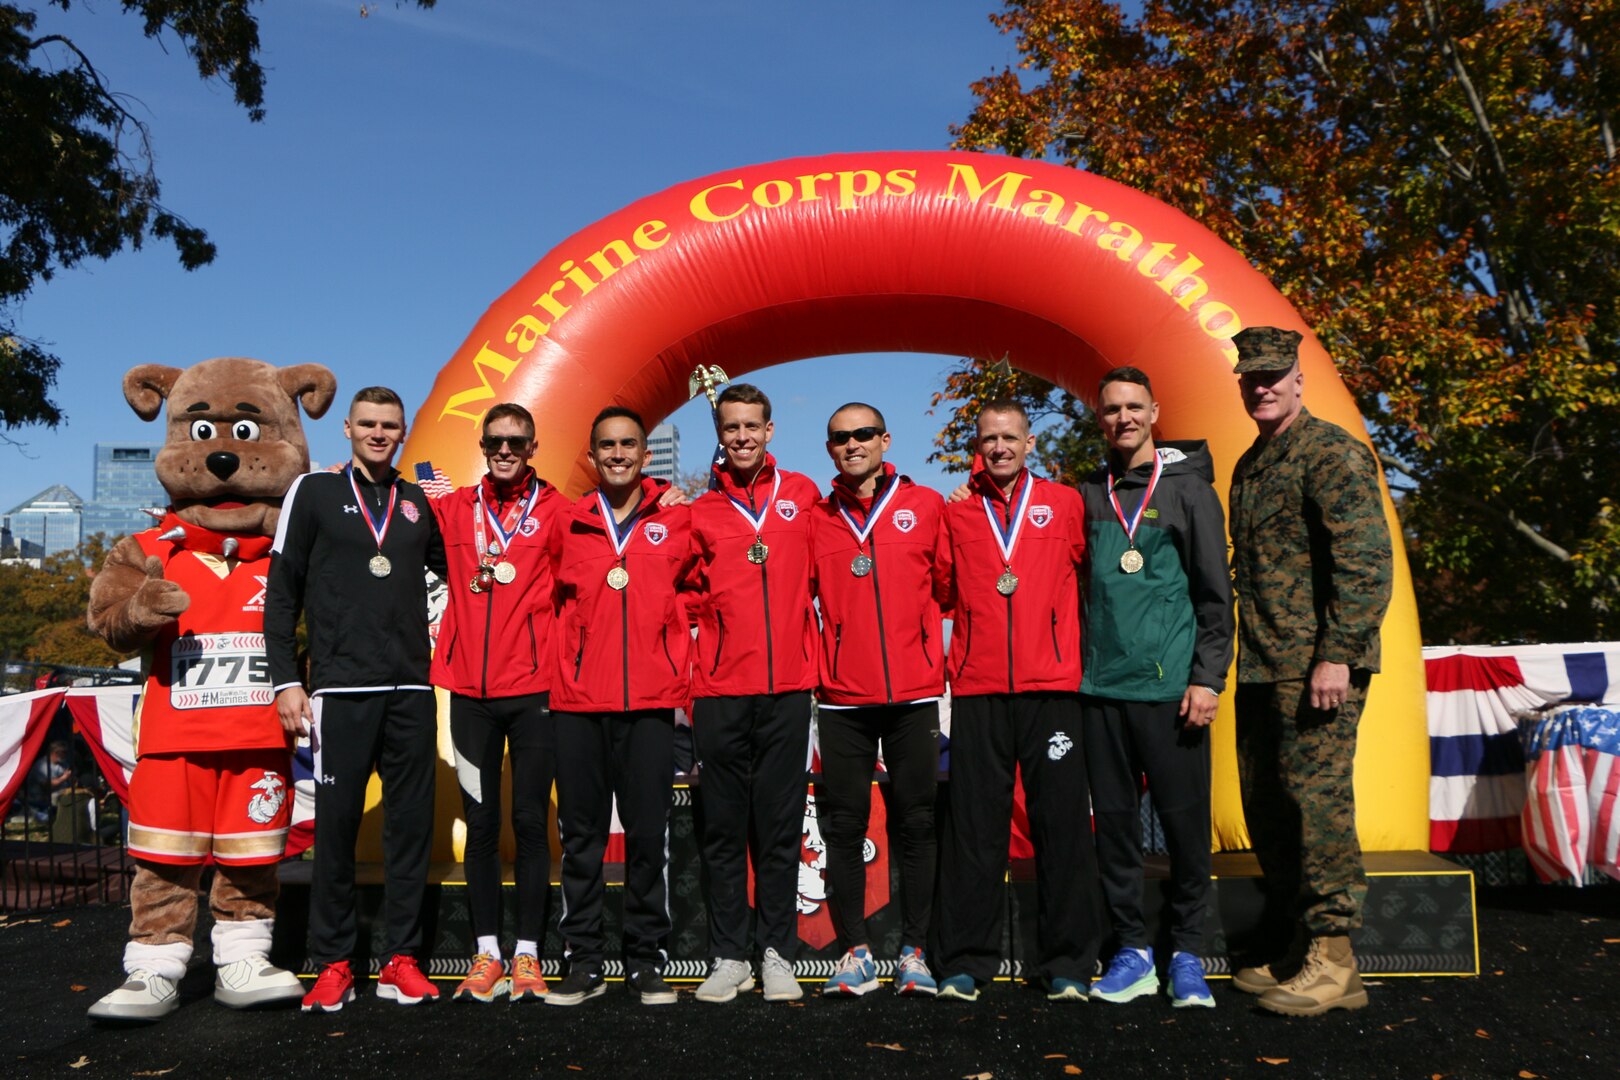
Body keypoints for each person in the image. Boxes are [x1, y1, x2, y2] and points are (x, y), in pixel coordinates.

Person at [1226, 326, 1393, 1017]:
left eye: (1274, 375)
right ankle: (1300, 946)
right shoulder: (1250, 464)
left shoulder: (1331, 453)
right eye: (1251, 377)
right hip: (1265, 664)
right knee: (1270, 807)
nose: (1262, 386)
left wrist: (1337, 653)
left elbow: (1365, 559)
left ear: (1300, 380)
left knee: (1318, 808)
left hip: (1317, 666)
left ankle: (1335, 957)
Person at [266, 386, 449, 1012]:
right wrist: (286, 679)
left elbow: (467, 572)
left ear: (403, 433)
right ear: (347, 428)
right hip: (341, 689)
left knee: (409, 830)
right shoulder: (313, 492)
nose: (378, 434)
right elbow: (281, 591)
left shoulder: (421, 500)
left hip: (412, 690)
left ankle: (401, 959)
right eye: (368, 424)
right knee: (337, 829)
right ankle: (335, 962)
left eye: (390, 426)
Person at [933, 400, 1105, 1002]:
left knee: (1061, 827)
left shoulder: (1065, 504)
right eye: (988, 440)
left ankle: (1067, 964)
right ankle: (964, 962)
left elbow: (1095, 578)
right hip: (979, 687)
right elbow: (945, 591)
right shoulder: (957, 514)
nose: (999, 448)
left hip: (1053, 687)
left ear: (1030, 443)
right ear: (976, 447)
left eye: (1010, 438)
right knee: (975, 830)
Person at [1076, 367, 1234, 1009]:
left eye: (1133, 407)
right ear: (1101, 419)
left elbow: (1215, 596)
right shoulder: (1087, 493)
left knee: (1185, 830)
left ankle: (1189, 953)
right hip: (1100, 694)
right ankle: (1132, 950)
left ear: (1154, 411)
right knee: (1114, 832)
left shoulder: (1190, 491)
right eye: (1111, 409)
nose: (1123, 419)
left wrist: (1206, 677)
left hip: (1173, 696)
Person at [545, 407, 693, 1007]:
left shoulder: (680, 517)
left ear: (644, 451)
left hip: (653, 702)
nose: (618, 454)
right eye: (606, 444)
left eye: (628, 443)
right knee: (580, 840)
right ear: (591, 453)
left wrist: (677, 655)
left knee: (646, 836)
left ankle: (644, 958)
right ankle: (582, 960)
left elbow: (706, 591)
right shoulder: (567, 521)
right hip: (579, 703)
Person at [685, 383, 821, 1004]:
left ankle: (775, 953)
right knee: (722, 829)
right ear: (720, 432)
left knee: (778, 827)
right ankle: (727, 955)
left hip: (790, 686)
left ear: (770, 431)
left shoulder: (803, 495)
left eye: (751, 426)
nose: (740, 436)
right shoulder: (695, 511)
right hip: (720, 689)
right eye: (730, 427)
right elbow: (682, 594)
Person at [428, 403, 568, 1004]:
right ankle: (487, 953)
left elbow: (619, 520)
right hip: (470, 695)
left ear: (533, 447)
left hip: (536, 691)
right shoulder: (454, 508)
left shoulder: (558, 511)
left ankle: (529, 955)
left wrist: (664, 495)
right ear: (482, 445)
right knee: (481, 826)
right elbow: (383, 511)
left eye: (516, 441)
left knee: (532, 824)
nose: (506, 450)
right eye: (495, 441)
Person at [808, 403, 949, 997]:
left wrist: (917, 641)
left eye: (864, 433)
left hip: (913, 692)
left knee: (917, 822)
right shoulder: (816, 518)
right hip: (843, 696)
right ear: (830, 448)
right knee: (843, 827)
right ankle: (855, 951)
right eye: (840, 437)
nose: (853, 444)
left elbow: (945, 588)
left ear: (886, 440)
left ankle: (915, 951)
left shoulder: (926, 507)